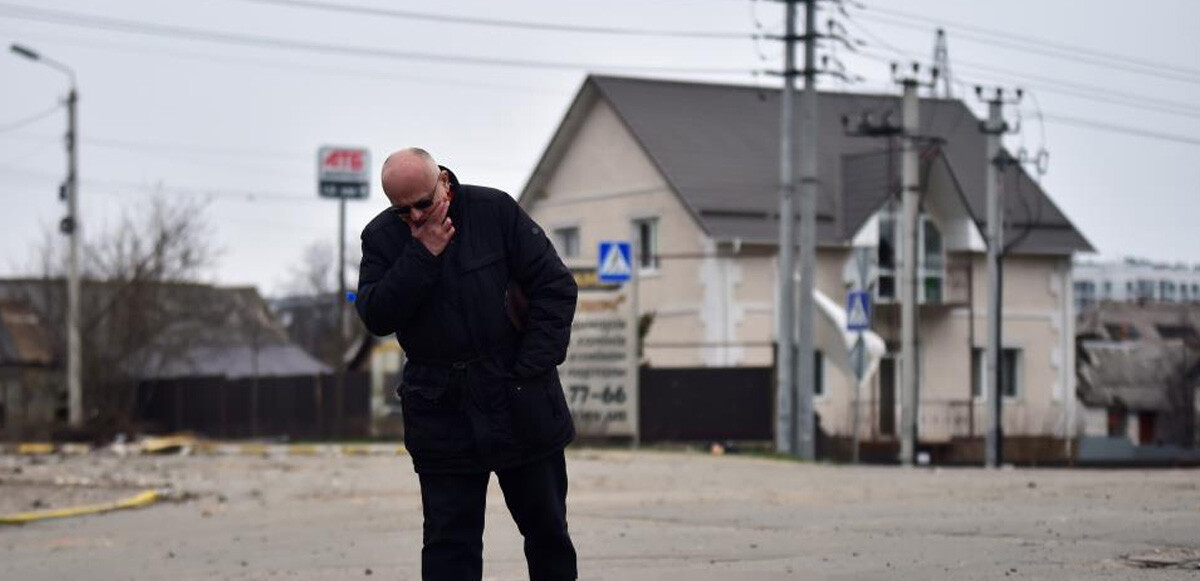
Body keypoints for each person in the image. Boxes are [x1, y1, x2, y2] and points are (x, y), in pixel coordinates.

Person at [355, 147, 579, 580]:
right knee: (448, 547)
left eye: (423, 203)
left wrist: (529, 367)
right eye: (402, 211)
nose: (416, 218)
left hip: (520, 399)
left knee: (547, 533)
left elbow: (555, 287)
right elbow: (377, 315)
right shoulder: (382, 238)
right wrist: (422, 256)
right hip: (440, 409)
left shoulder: (493, 210)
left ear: (442, 180)